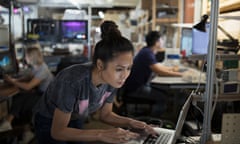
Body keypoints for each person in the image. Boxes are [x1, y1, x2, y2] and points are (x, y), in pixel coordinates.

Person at [33, 20, 157, 144]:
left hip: (75, 117)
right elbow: (58, 132)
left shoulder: (112, 80)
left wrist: (131, 122)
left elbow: (106, 114)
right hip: (49, 120)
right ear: (100, 64)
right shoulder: (73, 81)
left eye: (129, 68)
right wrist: (101, 134)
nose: (125, 75)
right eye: (119, 69)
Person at [122, 31, 184, 117]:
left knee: (164, 92)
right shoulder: (147, 53)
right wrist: (181, 75)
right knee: (162, 97)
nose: (163, 41)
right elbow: (159, 71)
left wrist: (173, 69)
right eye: (161, 39)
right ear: (157, 42)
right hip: (136, 89)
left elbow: (158, 66)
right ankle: (154, 122)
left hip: (135, 86)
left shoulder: (147, 51)